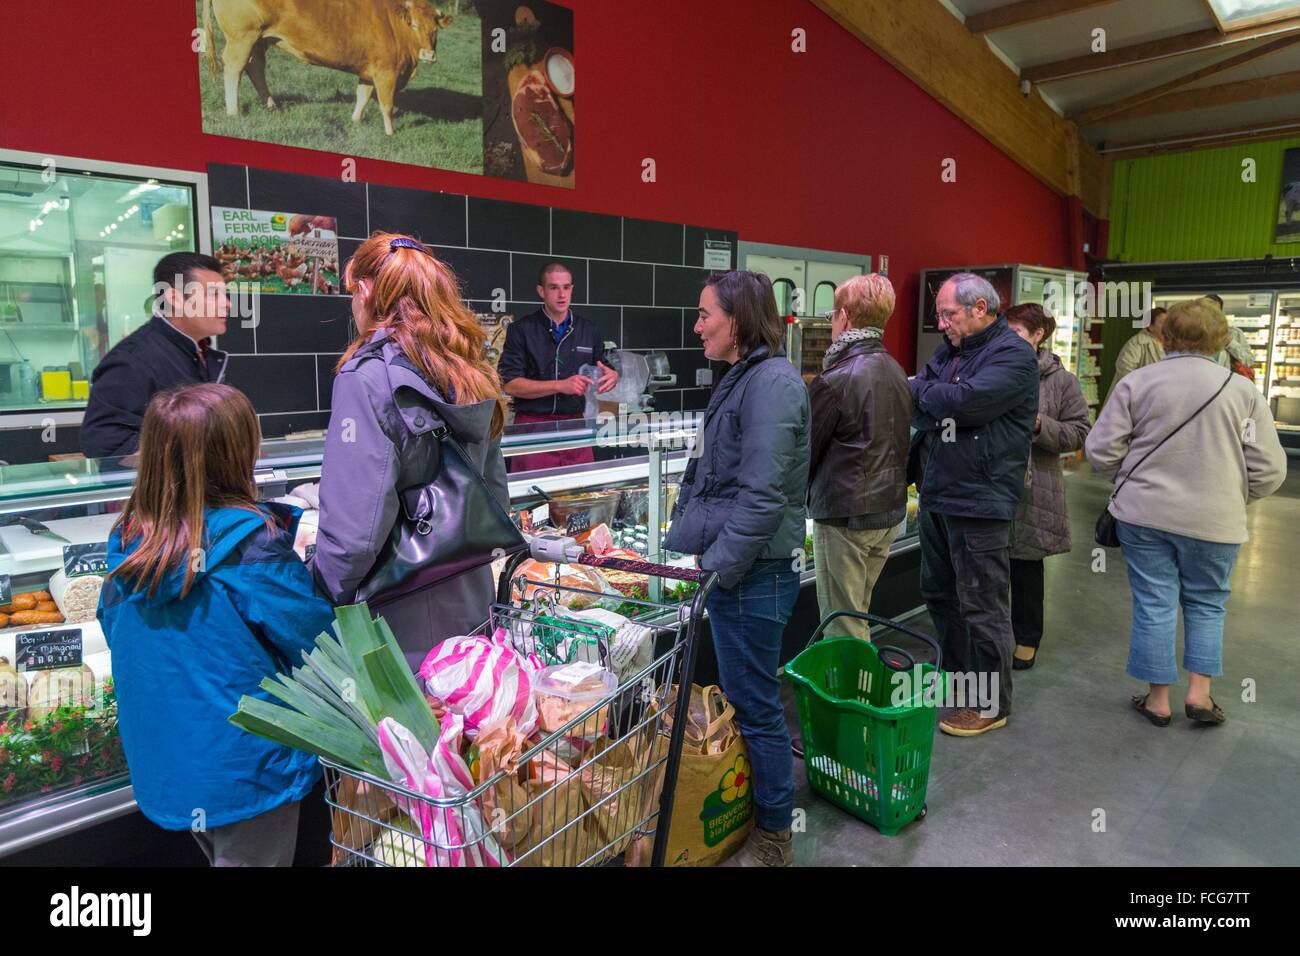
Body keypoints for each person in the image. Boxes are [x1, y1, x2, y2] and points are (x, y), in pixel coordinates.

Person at [98, 383, 332, 866]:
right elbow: (316, 642)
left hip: (171, 765)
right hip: (248, 767)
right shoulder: (251, 546)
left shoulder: (132, 545)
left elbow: (114, 629)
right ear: (237, 453)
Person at [663, 270, 810, 867]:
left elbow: (763, 497)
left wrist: (718, 567)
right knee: (749, 698)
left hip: (754, 573)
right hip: (738, 568)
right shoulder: (745, 377)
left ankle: (775, 834)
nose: (697, 326)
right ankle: (755, 811)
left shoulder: (770, 384)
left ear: (740, 320)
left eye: (706, 316)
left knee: (756, 706)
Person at [312, 234, 510, 669]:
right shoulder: (472, 369)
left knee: (412, 737)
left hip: (398, 629)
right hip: (473, 608)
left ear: (364, 290)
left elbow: (353, 539)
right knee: (468, 729)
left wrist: (322, 592)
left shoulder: (364, 378)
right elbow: (495, 497)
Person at [1086, 298, 1286, 727]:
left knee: (1154, 601)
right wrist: (1234, 494)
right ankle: (1200, 695)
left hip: (1144, 515)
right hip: (1217, 521)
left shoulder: (1136, 385)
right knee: (1208, 603)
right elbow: (1269, 468)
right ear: (1223, 339)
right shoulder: (1243, 392)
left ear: (1165, 335)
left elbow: (1101, 450)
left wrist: (1126, 482)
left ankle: (1158, 700)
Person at [908, 273, 1038, 737]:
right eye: (940, 314)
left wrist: (931, 395)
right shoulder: (953, 350)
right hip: (940, 492)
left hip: (981, 500)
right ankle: (958, 683)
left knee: (982, 604)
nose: (941, 323)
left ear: (980, 307)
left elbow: (966, 403)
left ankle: (990, 704)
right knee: (939, 595)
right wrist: (932, 396)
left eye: (948, 313)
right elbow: (925, 397)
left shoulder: (1013, 355)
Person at [806, 274, 910, 639]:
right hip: (887, 512)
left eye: (832, 313)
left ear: (845, 316)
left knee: (843, 625)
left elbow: (806, 452)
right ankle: (861, 686)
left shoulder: (835, 379)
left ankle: (852, 695)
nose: (831, 321)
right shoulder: (896, 370)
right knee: (858, 613)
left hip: (845, 516)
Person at [1003, 304, 1091, 671]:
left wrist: (1039, 425)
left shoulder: (1061, 381)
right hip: (988, 481)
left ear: (1039, 335)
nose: (1007, 340)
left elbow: (1079, 432)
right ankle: (985, 636)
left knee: (1025, 566)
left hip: (1034, 486)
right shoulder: (992, 369)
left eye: (1017, 333)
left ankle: (1026, 639)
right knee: (983, 567)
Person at [81, 252, 231, 459]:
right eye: (214, 295)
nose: (227, 304)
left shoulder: (203, 353)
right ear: (174, 298)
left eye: (225, 295)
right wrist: (190, 453)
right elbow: (105, 445)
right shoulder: (133, 359)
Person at [497, 261, 619, 471]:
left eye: (566, 287)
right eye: (554, 287)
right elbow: (510, 384)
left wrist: (612, 375)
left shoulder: (588, 330)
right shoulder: (522, 330)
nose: (561, 294)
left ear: (572, 289)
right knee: (533, 499)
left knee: (579, 496)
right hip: (533, 427)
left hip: (575, 426)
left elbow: (602, 366)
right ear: (541, 291)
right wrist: (560, 385)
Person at [1202, 293, 1256, 378]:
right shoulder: (1192, 334)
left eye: (1215, 311)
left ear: (1220, 312)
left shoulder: (1234, 333)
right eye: (1207, 310)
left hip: (1225, 384)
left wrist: (1230, 343)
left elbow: (1249, 361)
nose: (1210, 314)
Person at [1111, 306, 1165, 388]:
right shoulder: (1138, 342)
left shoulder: (1170, 343)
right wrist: (1140, 388)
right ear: (1150, 326)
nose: (1166, 326)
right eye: (1161, 322)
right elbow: (1124, 369)